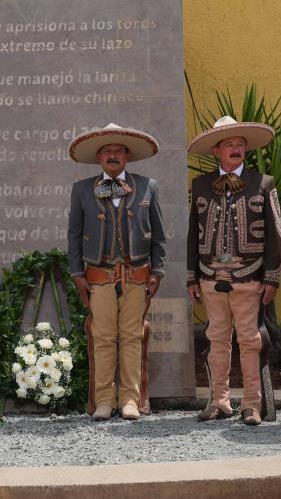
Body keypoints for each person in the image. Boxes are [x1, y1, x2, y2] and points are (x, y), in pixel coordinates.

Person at [186, 116, 281, 426]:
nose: (237, 148)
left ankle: (252, 404)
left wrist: (271, 276)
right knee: (216, 338)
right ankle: (219, 400)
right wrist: (191, 276)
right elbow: (192, 233)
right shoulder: (199, 186)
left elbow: (275, 235)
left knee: (251, 339)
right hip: (210, 276)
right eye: (229, 144)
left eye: (241, 144)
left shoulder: (263, 183)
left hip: (249, 276)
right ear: (216, 150)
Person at [67, 123, 165, 421]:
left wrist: (157, 270)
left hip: (137, 274)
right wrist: (77, 273)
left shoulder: (148, 186)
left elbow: (159, 235)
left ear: (127, 157)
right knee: (103, 336)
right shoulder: (82, 189)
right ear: (98, 158)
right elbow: (74, 234)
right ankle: (103, 401)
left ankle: (131, 400)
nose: (112, 155)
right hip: (99, 275)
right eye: (107, 151)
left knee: (133, 336)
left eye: (118, 151)